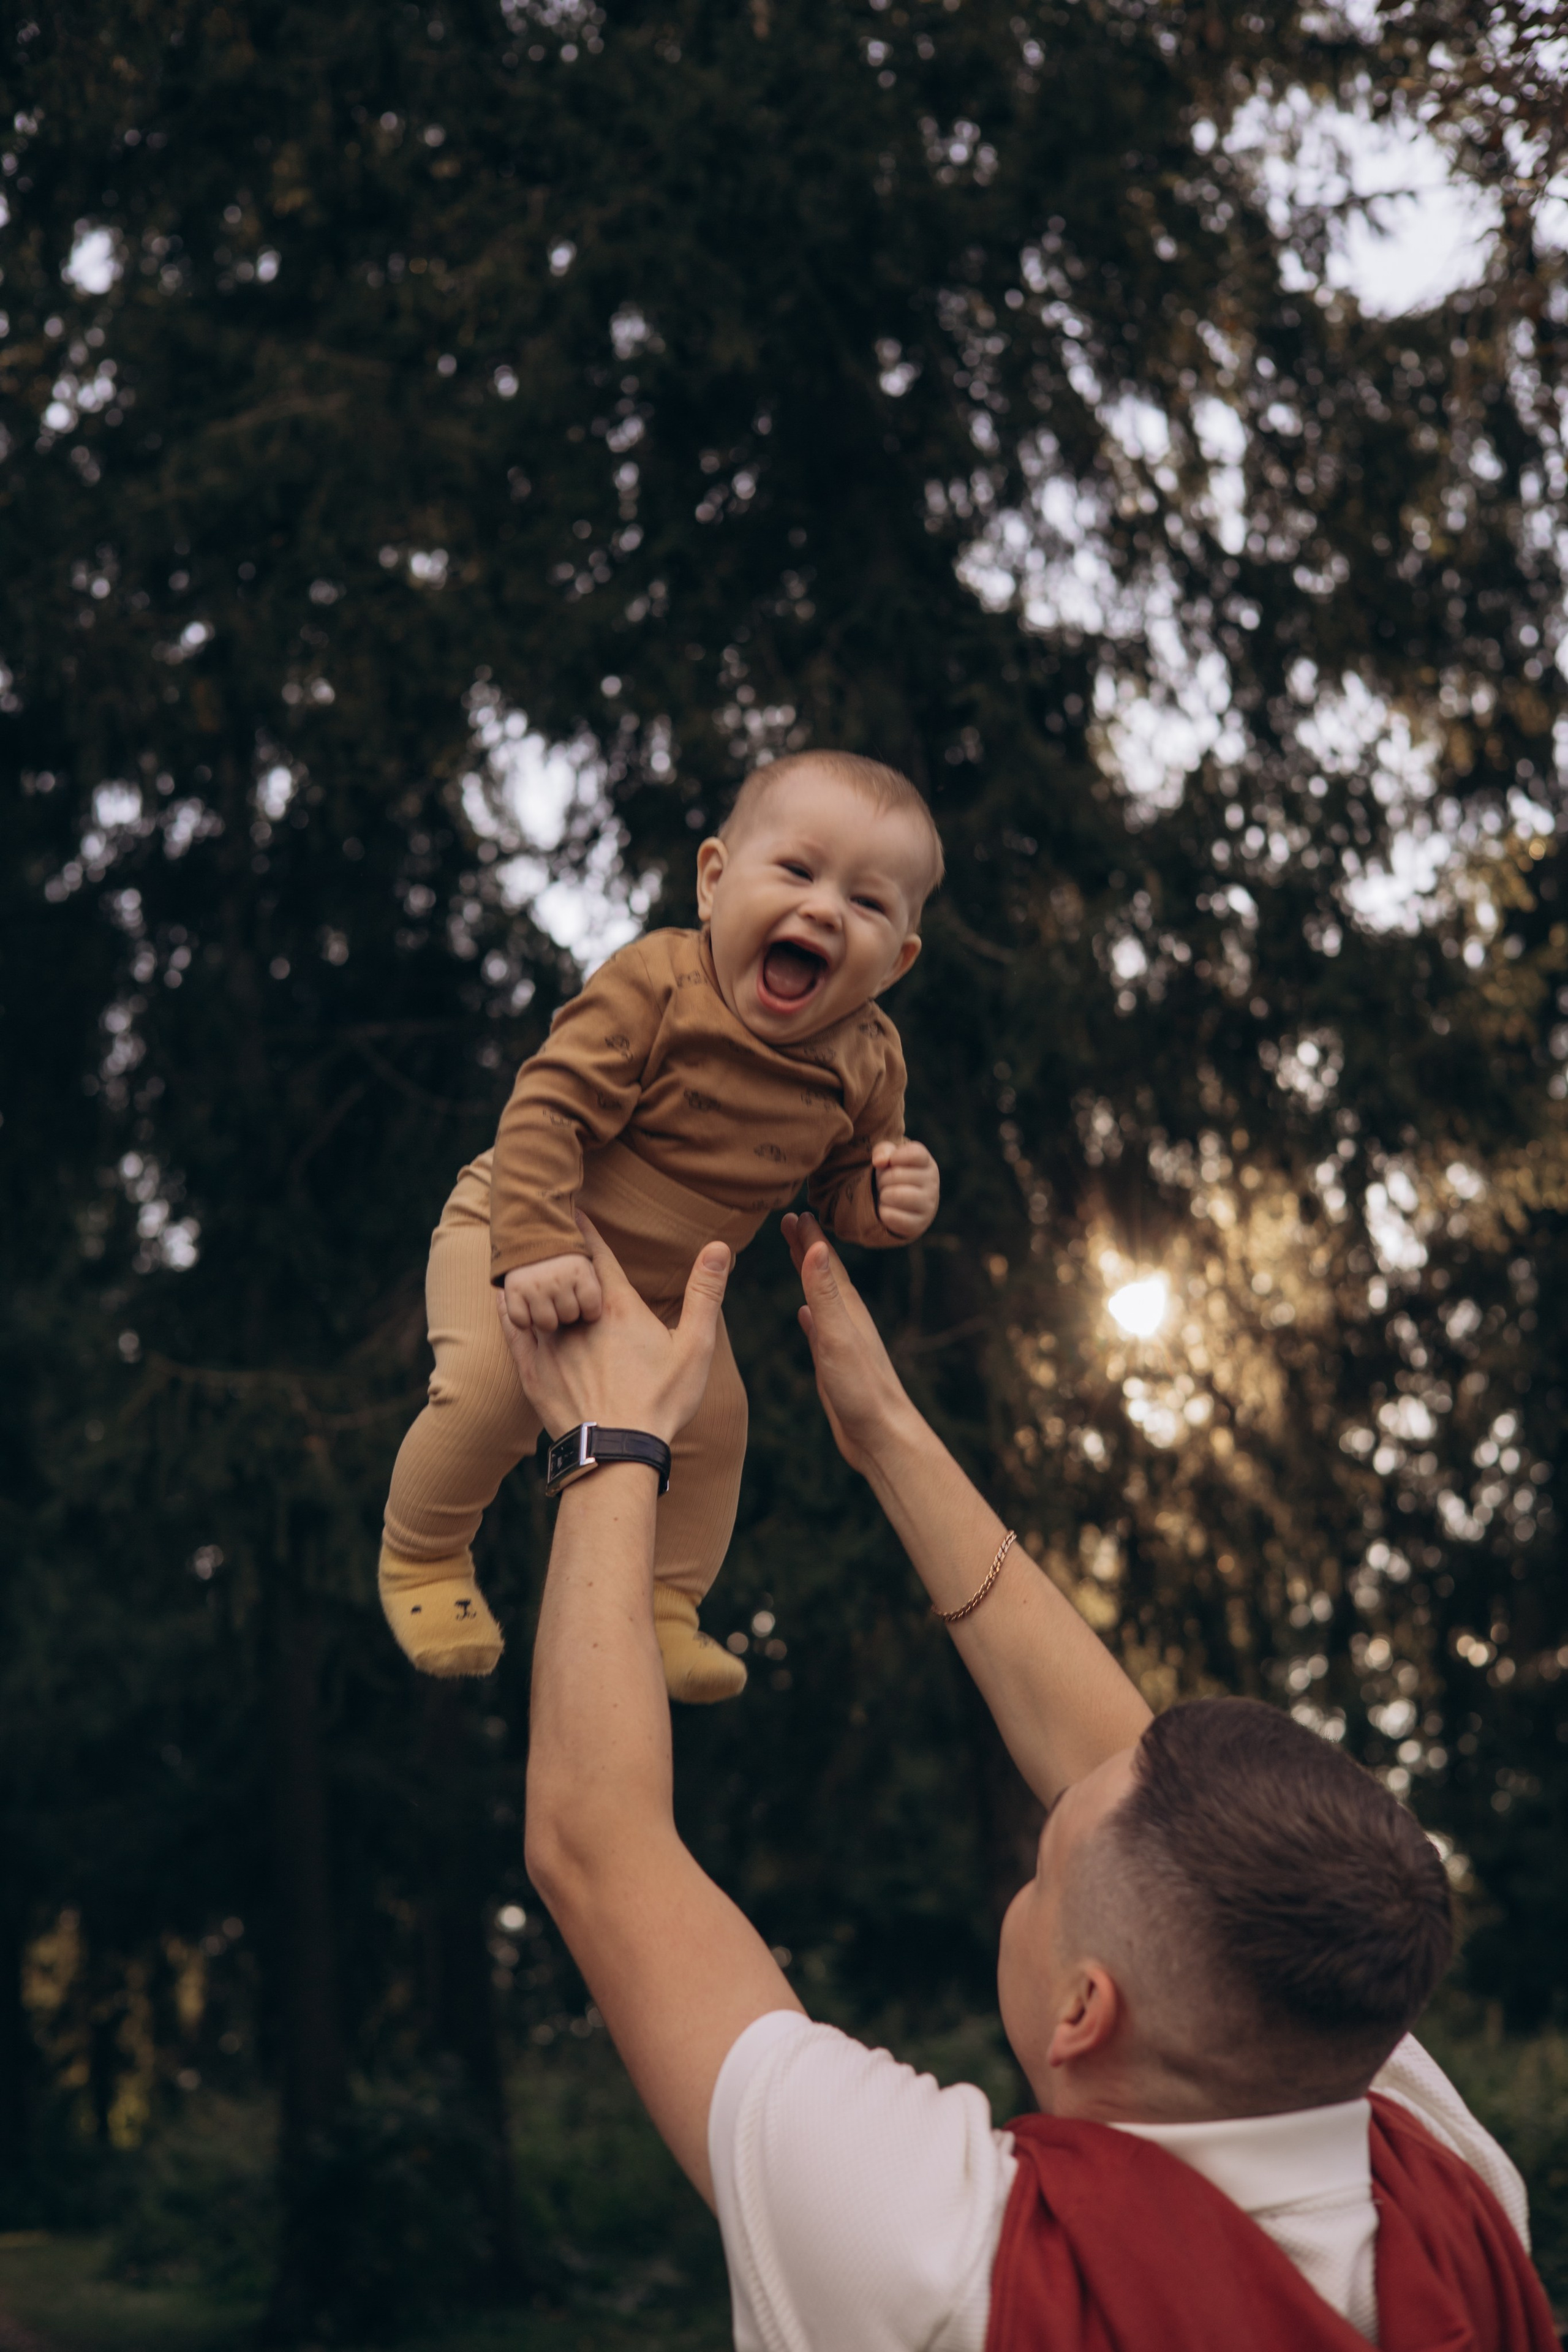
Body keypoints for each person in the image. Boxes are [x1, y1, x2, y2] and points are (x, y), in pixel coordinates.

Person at [501, 1208, 1559, 2351]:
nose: (1062, 1808)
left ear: (1084, 2012)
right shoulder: (1445, 2190)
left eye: (1049, 1865)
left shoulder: (951, 2260)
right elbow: (1143, 1800)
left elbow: (597, 1843)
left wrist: (610, 1434)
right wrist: (889, 1430)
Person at [378, 752, 943, 1699]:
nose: (823, 911)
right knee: (489, 1392)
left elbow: (842, 1186)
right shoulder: (660, 984)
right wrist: (538, 1246)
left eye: (867, 903)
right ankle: (423, 1557)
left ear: (897, 962)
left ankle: (665, 1605)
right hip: (523, 1220)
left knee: (715, 1428)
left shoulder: (871, 1063)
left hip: (671, 1294)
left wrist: (888, 1204)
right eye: (797, 871)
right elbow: (546, 1108)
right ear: (715, 881)